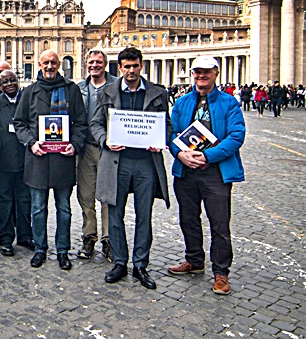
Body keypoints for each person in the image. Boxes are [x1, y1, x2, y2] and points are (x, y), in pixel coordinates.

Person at [90, 47, 171, 290]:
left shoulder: (158, 93)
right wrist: (105, 140)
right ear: (120, 68)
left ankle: (140, 264)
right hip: (117, 161)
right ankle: (120, 262)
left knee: (144, 215)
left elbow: (166, 124)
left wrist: (162, 140)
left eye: (135, 66)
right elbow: (95, 124)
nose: (131, 70)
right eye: (127, 66)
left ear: (141, 66)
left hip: (146, 162)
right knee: (115, 214)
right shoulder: (107, 92)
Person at [168, 56, 246, 295]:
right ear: (192, 74)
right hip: (186, 170)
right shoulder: (181, 103)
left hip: (216, 172)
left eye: (206, 72)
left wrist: (208, 156)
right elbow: (171, 133)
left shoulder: (229, 103)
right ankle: (194, 259)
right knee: (188, 218)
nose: (201, 76)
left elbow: (236, 136)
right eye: (197, 72)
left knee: (219, 223)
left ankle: (221, 272)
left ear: (216, 73)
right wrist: (179, 154)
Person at [13, 50, 87, 270]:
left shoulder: (71, 90)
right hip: (38, 158)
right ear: (39, 64)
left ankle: (63, 250)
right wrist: (30, 142)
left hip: (63, 159)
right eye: (46, 62)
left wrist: (75, 144)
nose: (50, 66)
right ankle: (40, 249)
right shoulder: (29, 92)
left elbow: (81, 123)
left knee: (64, 208)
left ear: (59, 64)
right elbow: (20, 123)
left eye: (54, 62)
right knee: (38, 208)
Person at [76, 49, 116, 261]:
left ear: (105, 64)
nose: (94, 65)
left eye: (98, 62)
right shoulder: (80, 88)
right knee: (86, 195)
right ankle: (89, 236)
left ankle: (108, 239)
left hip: (109, 148)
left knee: (108, 196)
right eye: (91, 62)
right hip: (85, 147)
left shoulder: (117, 86)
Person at [0, 70, 33, 256]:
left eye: (12, 80)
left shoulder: (26, 99)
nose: (9, 84)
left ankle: (25, 235)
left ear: (18, 81)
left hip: (25, 158)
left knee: (25, 200)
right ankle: (6, 238)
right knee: (4, 201)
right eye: (5, 81)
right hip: (3, 160)